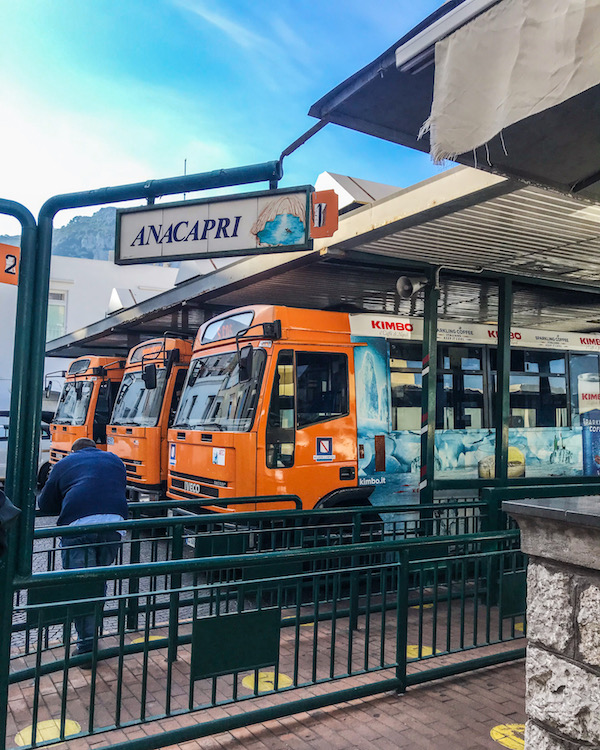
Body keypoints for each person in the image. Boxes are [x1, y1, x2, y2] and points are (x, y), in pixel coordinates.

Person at [37, 437, 128, 661]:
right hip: (115, 525)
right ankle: (91, 634)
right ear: (94, 449)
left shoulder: (63, 464)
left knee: (81, 585)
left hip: (78, 526)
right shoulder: (115, 460)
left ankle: (86, 646)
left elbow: (45, 504)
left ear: (74, 451)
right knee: (97, 580)